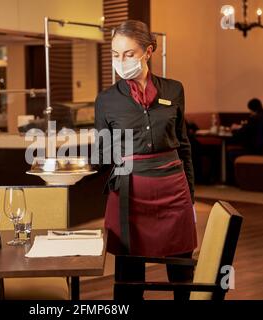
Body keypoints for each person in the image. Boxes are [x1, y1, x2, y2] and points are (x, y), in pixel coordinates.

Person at [94, 20, 197, 301]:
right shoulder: (106, 100)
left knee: (182, 272)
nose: (121, 61)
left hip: (173, 189)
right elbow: (102, 153)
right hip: (130, 191)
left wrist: (190, 191)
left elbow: (183, 143)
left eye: (128, 54)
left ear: (148, 51)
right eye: (115, 55)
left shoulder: (174, 90)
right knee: (129, 277)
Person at [226, 98, 263, 184]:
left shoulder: (255, 119)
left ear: (251, 109)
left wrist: (235, 129)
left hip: (256, 150)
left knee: (230, 153)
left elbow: (240, 134)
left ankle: (232, 181)